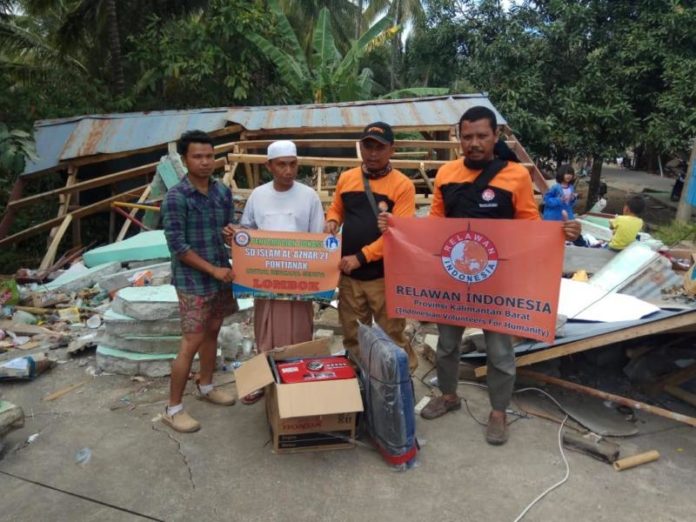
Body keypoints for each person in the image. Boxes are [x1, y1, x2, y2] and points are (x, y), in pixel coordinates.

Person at [379, 106, 580, 445]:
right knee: (446, 346)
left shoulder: (515, 176)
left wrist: (561, 233)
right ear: (459, 138)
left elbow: (529, 226)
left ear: (495, 137)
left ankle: (499, 411)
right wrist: (395, 228)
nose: (473, 143)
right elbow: (436, 225)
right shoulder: (446, 174)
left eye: (481, 136)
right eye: (467, 136)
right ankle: (449, 395)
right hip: (452, 276)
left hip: (497, 280)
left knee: (500, 351)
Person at [161, 130, 238, 433]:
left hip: (220, 274)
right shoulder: (176, 197)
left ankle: (206, 386)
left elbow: (226, 228)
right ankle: (173, 408)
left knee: (214, 330)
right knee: (191, 341)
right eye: (198, 157)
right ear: (185, 160)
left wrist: (231, 233)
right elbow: (178, 247)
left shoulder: (222, 192)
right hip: (193, 280)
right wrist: (213, 270)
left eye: (209, 156)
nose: (205, 162)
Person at [325, 122, 418, 370]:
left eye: (379, 147)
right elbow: (337, 207)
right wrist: (332, 220)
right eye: (368, 146)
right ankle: (361, 382)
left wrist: (361, 257)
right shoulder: (346, 178)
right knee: (353, 334)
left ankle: (399, 384)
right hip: (350, 276)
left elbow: (398, 234)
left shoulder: (403, 186)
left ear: (392, 150)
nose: (373, 153)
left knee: (392, 335)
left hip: (384, 276)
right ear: (361, 147)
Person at [238, 140, 325, 404]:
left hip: (300, 281)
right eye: (282, 165)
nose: (288, 170)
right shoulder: (258, 195)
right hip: (265, 280)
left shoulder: (309, 196)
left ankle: (297, 375)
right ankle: (263, 379)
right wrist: (238, 236)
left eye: (293, 164)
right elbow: (247, 232)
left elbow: (318, 238)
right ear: (269, 166)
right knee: (266, 329)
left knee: (299, 329)